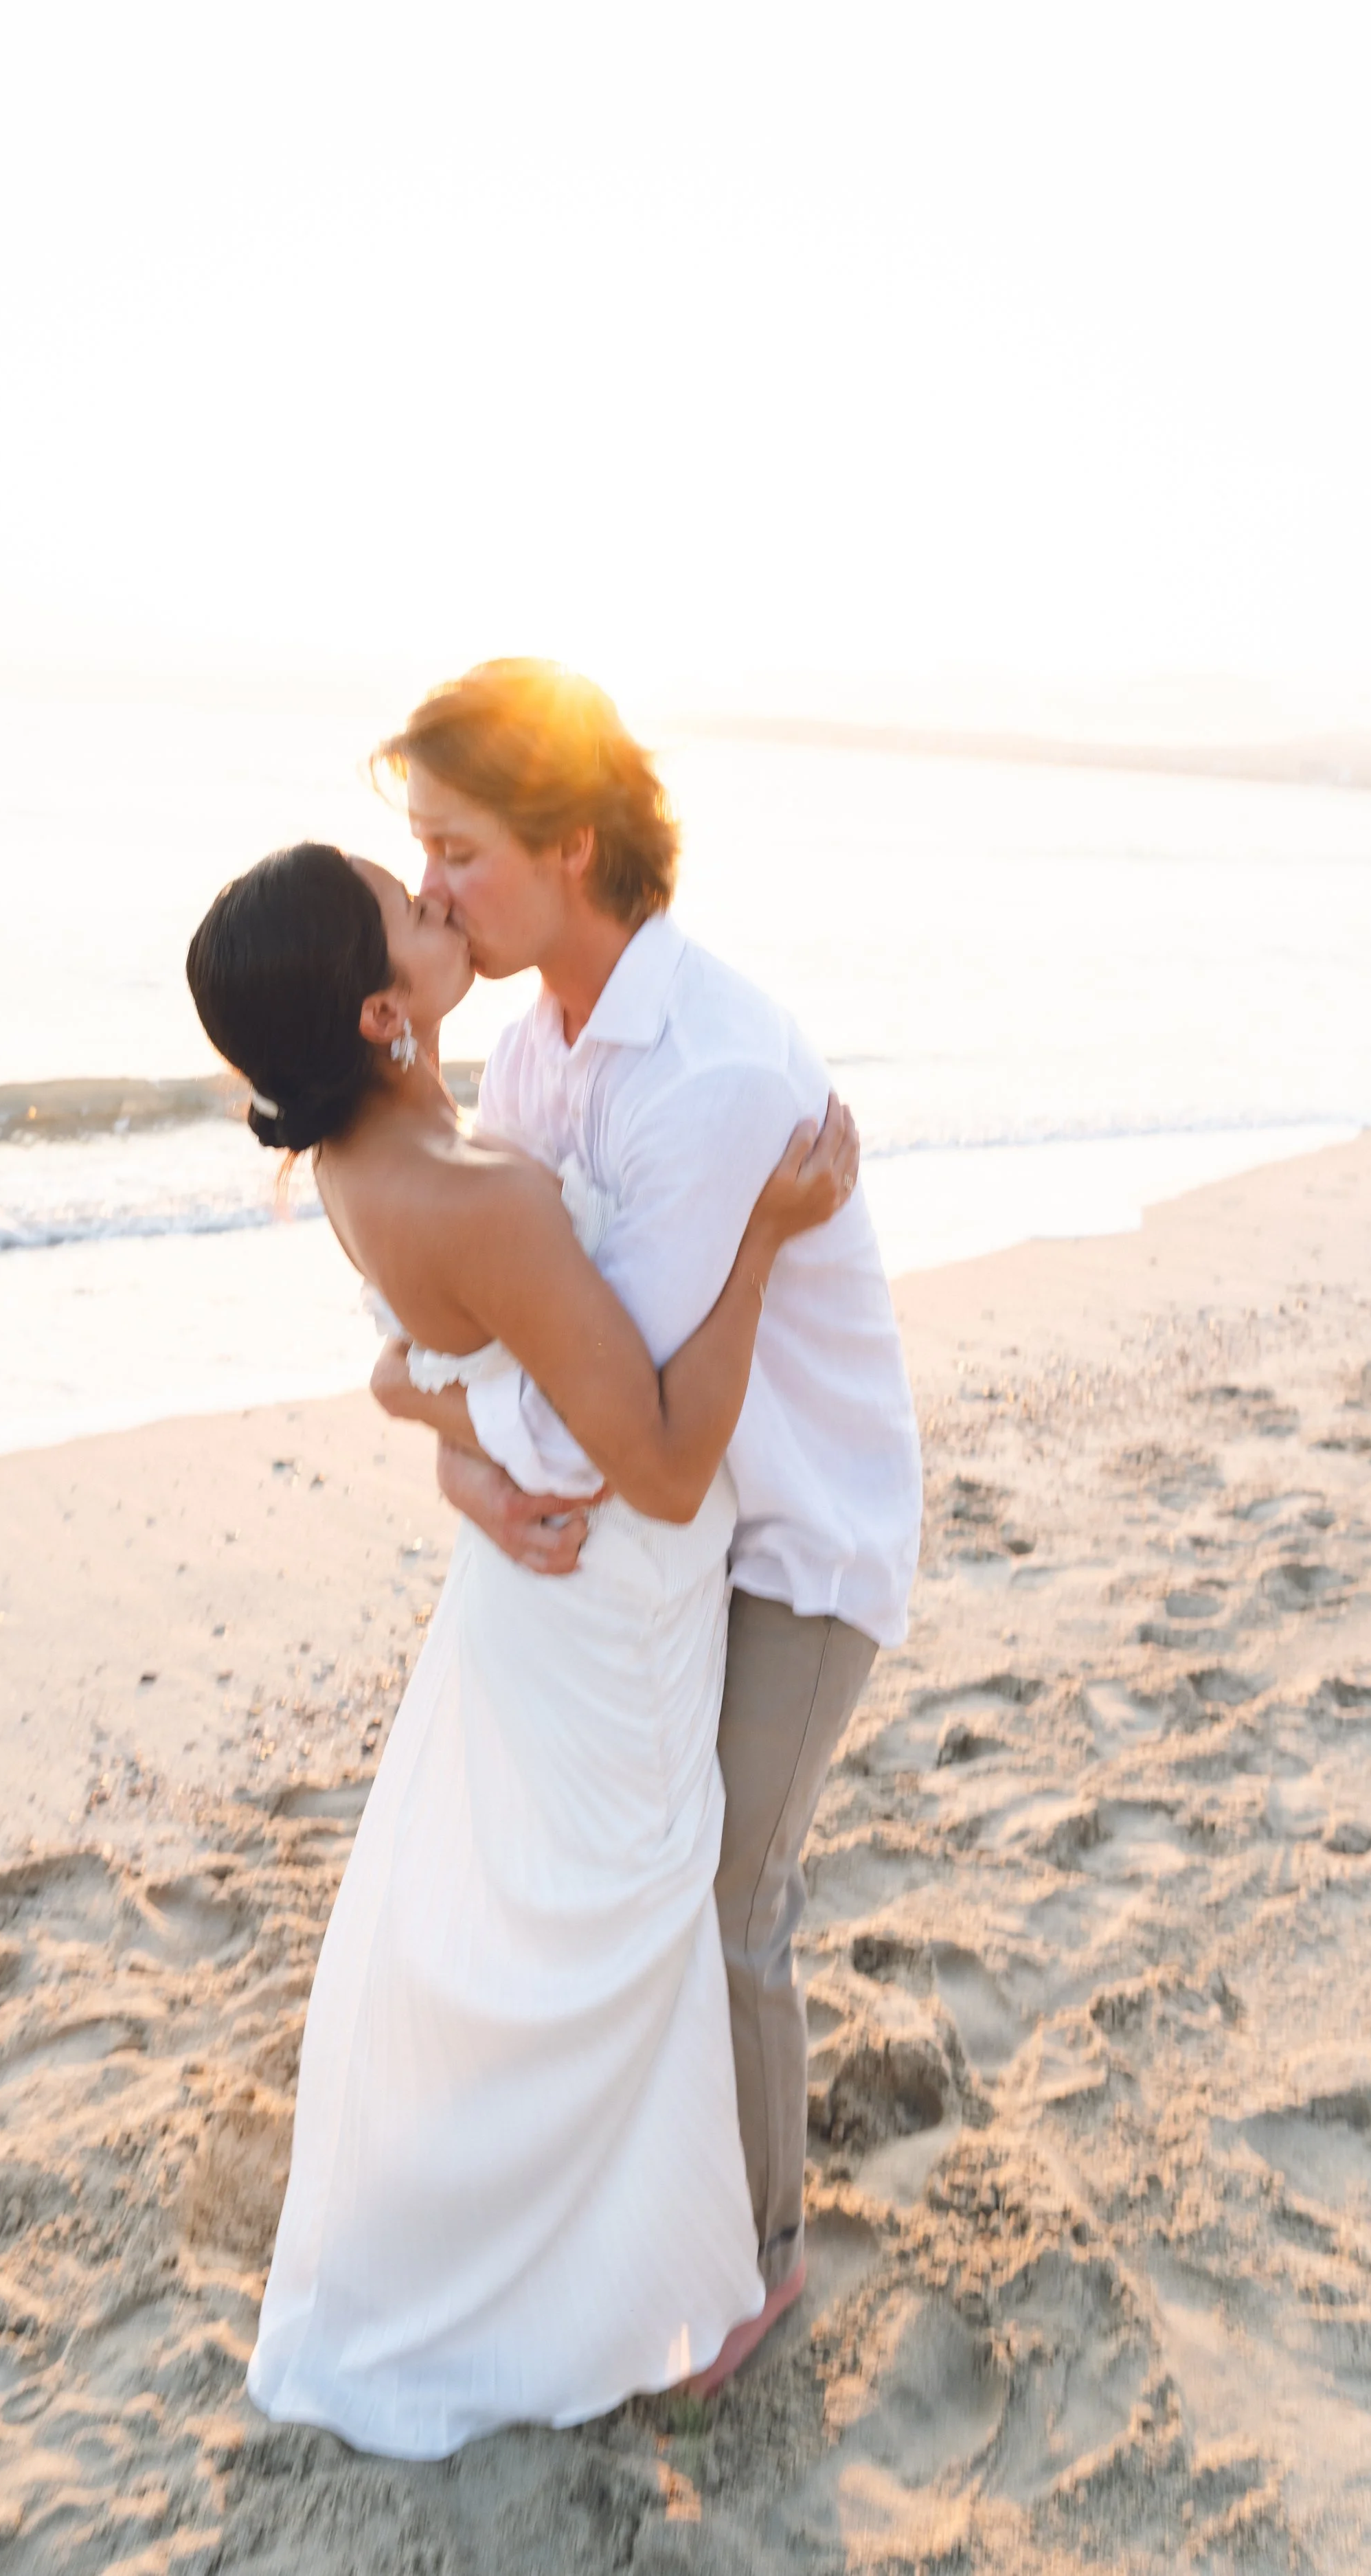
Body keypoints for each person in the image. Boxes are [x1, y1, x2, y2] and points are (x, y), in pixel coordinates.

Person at [185, 840, 858, 2458]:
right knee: (617, 1937)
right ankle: (606, 2287)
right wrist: (770, 1231)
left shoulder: (357, 1162)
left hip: (522, 1600)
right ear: (376, 1013)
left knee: (536, 1929)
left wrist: (438, 1421)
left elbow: (417, 1354)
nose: (441, 906)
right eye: (413, 913)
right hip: (608, 1602)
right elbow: (669, 1463)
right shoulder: (480, 1191)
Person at [370, 660, 922, 2393]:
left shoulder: (705, 1078)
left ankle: (759, 2269)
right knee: (626, 1894)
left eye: (455, 850)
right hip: (659, 1556)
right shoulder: (537, 1053)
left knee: (723, 1896)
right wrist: (454, 1458)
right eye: (419, 854)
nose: (430, 892)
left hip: (789, 1541)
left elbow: (647, 1449)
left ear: (570, 843)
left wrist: (456, 1430)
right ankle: (628, 2213)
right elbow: (507, 1354)